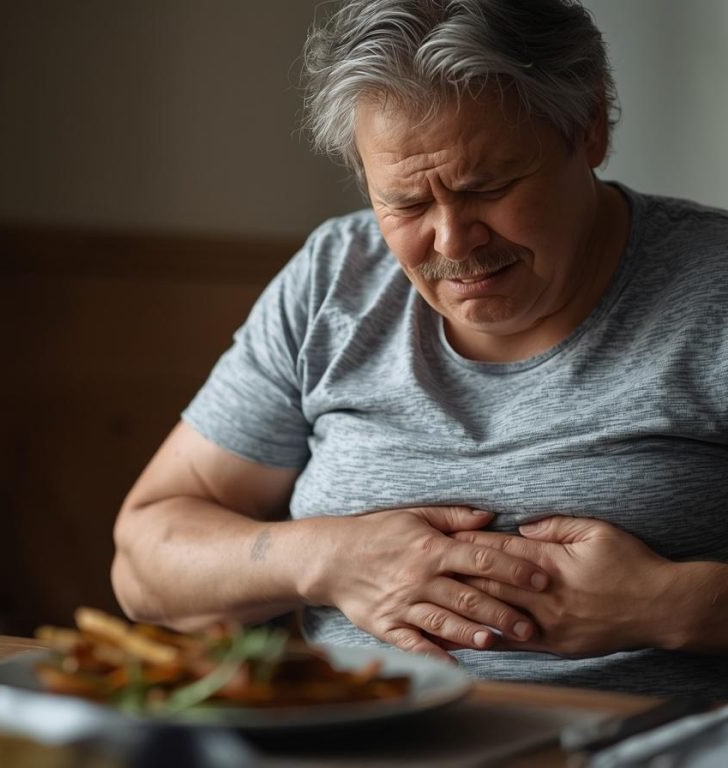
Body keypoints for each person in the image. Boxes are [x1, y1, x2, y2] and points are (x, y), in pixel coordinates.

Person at [111, 0, 728, 698]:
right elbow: (143, 561)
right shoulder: (334, 279)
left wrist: (671, 604)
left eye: (487, 188)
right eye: (405, 203)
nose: (452, 243)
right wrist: (326, 558)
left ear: (587, 125)